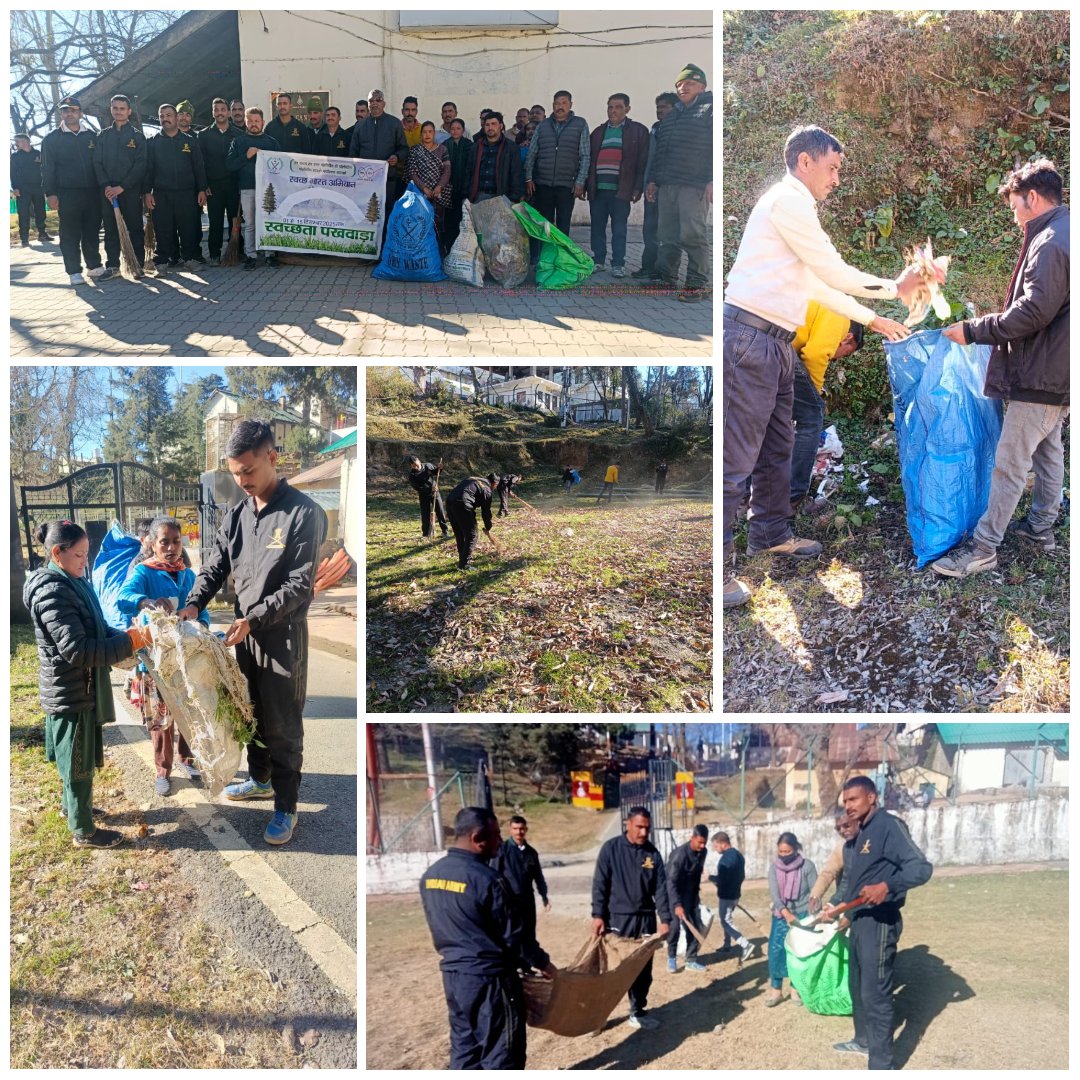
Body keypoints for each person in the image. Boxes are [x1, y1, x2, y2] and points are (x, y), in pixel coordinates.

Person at [722, 123, 933, 609]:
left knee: (778, 445)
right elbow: (832, 270)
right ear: (805, 162)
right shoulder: (789, 201)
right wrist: (893, 286)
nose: (836, 178)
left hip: (775, 343)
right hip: (750, 339)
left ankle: (770, 533)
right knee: (736, 461)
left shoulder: (793, 209)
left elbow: (816, 285)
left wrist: (873, 318)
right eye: (833, 168)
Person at [177, 419, 328, 847]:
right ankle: (259, 779)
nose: (242, 480)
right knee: (249, 713)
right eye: (235, 473)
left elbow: (299, 586)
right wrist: (194, 602)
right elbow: (214, 567)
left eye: (249, 470)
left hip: (281, 637)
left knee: (281, 723)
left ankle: (286, 804)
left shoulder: (303, 513)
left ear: (271, 457)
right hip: (244, 634)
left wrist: (254, 619)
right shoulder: (237, 516)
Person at [932, 158, 1069, 577]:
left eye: (1013, 206)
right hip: (1059, 369)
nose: (1013, 216)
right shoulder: (1064, 232)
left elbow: (1032, 312)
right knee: (1048, 451)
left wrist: (974, 330)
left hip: (1043, 369)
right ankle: (1042, 529)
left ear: (1031, 198)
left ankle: (983, 548)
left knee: (1010, 461)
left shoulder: (1050, 242)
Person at [23, 520, 147, 849]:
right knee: (76, 762)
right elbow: (78, 651)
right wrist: (130, 643)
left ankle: (73, 807)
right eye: (79, 555)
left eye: (87, 555)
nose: (85, 562)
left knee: (77, 758)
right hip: (70, 691)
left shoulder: (74, 580)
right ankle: (83, 830)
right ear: (56, 553)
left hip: (83, 687)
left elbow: (98, 626)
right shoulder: (52, 590)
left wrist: (125, 637)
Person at [421, 807, 556, 1069]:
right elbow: (515, 936)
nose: (500, 841)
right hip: (491, 982)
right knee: (503, 1055)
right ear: (476, 838)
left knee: (465, 1050)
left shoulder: (431, 876)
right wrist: (545, 964)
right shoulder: (489, 881)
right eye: (495, 836)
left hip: (454, 979)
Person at [824, 775, 933, 1068]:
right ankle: (863, 1041)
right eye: (845, 801)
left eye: (854, 799)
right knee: (858, 987)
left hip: (879, 923)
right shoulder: (857, 836)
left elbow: (921, 868)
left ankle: (881, 1065)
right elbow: (851, 883)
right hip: (858, 921)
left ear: (872, 797)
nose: (848, 806)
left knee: (876, 994)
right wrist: (836, 905)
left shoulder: (888, 826)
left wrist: (887, 887)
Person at [116, 516, 208, 796]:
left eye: (176, 541)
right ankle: (162, 770)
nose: (170, 547)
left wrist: (200, 624)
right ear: (153, 545)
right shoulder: (144, 572)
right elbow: (124, 596)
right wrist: (146, 601)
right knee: (161, 715)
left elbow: (200, 608)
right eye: (164, 542)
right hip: (155, 658)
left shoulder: (188, 575)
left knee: (188, 710)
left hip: (185, 656)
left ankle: (187, 759)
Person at [591, 806, 671, 1030]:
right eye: (639, 827)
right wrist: (598, 915)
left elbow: (661, 889)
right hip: (618, 920)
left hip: (645, 920)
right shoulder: (611, 849)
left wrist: (665, 919)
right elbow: (600, 885)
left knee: (643, 970)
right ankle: (599, 1016)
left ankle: (637, 1011)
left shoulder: (652, 854)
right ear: (628, 824)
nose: (644, 832)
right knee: (612, 971)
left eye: (647, 828)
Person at [645, 63, 713, 302]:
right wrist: (653, 180)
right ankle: (666, 277)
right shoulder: (672, 115)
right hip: (668, 185)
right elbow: (660, 151)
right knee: (668, 235)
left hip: (693, 185)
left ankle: (697, 283)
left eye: (689, 83)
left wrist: (712, 179)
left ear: (702, 87)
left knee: (693, 235)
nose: (683, 88)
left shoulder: (710, 110)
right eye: (680, 84)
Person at [789, 303, 865, 515]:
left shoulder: (820, 304)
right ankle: (792, 499)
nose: (836, 357)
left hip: (750, 336)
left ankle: (746, 499)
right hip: (776, 342)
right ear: (848, 338)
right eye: (845, 353)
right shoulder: (838, 313)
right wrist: (814, 395)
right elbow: (815, 355)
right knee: (811, 419)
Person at [40, 96, 104, 285]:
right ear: (61, 114)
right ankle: (74, 271)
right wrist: (50, 193)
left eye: (73, 110)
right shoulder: (51, 139)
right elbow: (47, 168)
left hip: (92, 192)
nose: (70, 114)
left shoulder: (92, 136)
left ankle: (94, 266)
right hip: (67, 194)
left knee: (92, 231)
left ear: (80, 113)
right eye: (66, 110)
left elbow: (99, 164)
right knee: (70, 233)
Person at [586, 93, 648, 277]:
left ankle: (618, 264)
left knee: (619, 229)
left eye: (618, 107)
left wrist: (637, 188)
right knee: (597, 227)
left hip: (621, 191)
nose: (613, 111)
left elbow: (641, 162)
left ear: (627, 109)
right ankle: (598, 261)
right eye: (610, 107)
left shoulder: (637, 131)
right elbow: (589, 160)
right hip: (598, 190)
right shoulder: (598, 132)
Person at [144, 104, 208, 272]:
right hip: (161, 193)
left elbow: (199, 167)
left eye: (168, 115)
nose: (165, 118)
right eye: (162, 115)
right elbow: (148, 169)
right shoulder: (152, 142)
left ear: (176, 117)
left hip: (186, 193)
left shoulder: (189, 141)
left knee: (189, 227)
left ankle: (190, 258)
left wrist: (202, 189)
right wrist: (146, 192)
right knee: (163, 228)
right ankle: (163, 261)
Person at [92, 93, 147, 279]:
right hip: (107, 193)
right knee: (110, 229)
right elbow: (97, 163)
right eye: (115, 108)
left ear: (129, 111)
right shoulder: (103, 135)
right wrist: (106, 186)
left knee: (135, 228)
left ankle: (137, 264)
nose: (118, 111)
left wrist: (122, 186)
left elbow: (140, 166)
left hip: (129, 191)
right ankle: (113, 266)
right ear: (111, 110)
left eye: (122, 108)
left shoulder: (137, 137)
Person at [525, 90, 589, 238]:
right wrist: (528, 178)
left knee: (563, 225)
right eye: (557, 103)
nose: (560, 107)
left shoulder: (580, 124)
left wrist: (580, 182)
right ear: (553, 105)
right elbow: (532, 153)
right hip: (543, 184)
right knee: (544, 225)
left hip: (567, 186)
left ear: (571, 105)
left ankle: (561, 259)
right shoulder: (543, 125)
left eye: (564, 103)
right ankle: (545, 258)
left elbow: (585, 155)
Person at [491, 815, 551, 970]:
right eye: (515, 829)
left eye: (522, 829)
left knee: (529, 932)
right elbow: (493, 875)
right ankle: (515, 965)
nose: (519, 832)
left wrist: (544, 896)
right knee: (513, 934)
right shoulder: (502, 851)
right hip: (509, 901)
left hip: (527, 900)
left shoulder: (531, 852)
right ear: (510, 830)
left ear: (526, 829)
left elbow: (538, 876)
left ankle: (527, 965)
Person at [766, 831, 817, 1006]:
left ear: (796, 849)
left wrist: (812, 916)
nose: (784, 855)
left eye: (787, 851)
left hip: (803, 915)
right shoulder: (773, 868)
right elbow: (775, 895)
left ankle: (796, 989)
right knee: (776, 951)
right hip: (781, 915)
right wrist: (786, 914)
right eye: (781, 851)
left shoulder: (807, 866)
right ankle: (776, 990)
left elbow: (814, 894)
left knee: (798, 952)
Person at [226, 107, 281, 270]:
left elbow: (282, 166)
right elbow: (229, 165)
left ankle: (270, 254)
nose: (254, 124)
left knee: (268, 222)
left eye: (257, 121)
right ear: (245, 122)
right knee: (250, 224)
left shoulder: (272, 142)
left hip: (268, 190)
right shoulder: (238, 142)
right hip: (247, 189)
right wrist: (246, 156)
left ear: (263, 122)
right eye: (250, 121)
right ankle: (251, 255)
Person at [349, 90, 408, 239]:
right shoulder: (360, 126)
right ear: (368, 104)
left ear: (384, 103)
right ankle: (365, 248)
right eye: (371, 101)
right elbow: (353, 154)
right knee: (365, 214)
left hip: (388, 180)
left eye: (378, 100)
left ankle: (384, 249)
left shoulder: (394, 123)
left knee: (386, 214)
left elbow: (404, 149)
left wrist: (397, 156)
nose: (374, 103)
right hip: (365, 182)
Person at [633, 92, 678, 280]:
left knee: (667, 232)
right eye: (658, 107)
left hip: (668, 189)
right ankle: (648, 267)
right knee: (649, 229)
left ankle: (665, 272)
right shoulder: (655, 128)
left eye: (664, 107)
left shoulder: (678, 129)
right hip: (650, 187)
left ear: (675, 108)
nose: (660, 110)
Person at [198, 97, 243, 266]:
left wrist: (241, 185)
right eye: (216, 110)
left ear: (228, 112)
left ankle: (237, 252)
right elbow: (199, 163)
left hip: (233, 185)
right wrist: (204, 185)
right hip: (213, 187)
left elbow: (241, 161)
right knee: (215, 222)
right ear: (212, 113)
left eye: (223, 110)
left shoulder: (238, 134)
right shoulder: (203, 135)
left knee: (235, 220)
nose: (220, 113)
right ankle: (215, 254)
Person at [665, 823, 709, 973]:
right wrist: (677, 904)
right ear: (692, 838)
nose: (702, 846)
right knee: (675, 926)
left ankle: (691, 960)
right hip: (674, 894)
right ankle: (671, 957)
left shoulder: (703, 852)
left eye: (704, 842)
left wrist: (695, 896)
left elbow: (696, 875)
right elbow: (671, 882)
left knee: (695, 926)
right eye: (700, 842)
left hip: (690, 895)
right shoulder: (679, 855)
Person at [709, 831, 754, 960]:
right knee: (726, 918)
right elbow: (741, 876)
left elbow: (722, 879)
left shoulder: (726, 859)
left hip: (727, 895)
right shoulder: (738, 855)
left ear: (723, 844)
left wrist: (710, 877)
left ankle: (745, 944)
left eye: (716, 846)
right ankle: (727, 945)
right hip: (735, 894)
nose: (715, 849)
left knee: (725, 921)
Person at [407, 121, 451, 242]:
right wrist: (424, 189)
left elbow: (447, 171)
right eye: (425, 132)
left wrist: (439, 187)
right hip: (420, 193)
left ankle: (437, 253)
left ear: (434, 133)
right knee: (419, 223)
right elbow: (412, 173)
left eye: (430, 132)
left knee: (437, 224)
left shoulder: (443, 149)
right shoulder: (415, 150)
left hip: (439, 194)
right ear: (421, 134)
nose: (427, 134)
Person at [466, 112, 523, 205]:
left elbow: (516, 174)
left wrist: (514, 198)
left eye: (493, 124)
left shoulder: (511, 147)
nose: (490, 127)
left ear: (500, 126)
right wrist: (466, 196)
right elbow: (468, 172)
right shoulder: (476, 147)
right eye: (487, 125)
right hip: (479, 197)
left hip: (502, 197)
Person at [807, 811, 858, 915]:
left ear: (858, 822)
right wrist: (815, 895)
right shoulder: (843, 848)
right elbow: (828, 873)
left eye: (846, 826)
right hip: (844, 904)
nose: (842, 831)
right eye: (838, 828)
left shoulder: (871, 845)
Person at [445, 474, 496, 570]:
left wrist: (449, 510)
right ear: (494, 483)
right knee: (472, 535)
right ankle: (465, 564)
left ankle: (462, 559)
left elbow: (458, 490)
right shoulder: (486, 489)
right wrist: (488, 526)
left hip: (450, 501)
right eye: (495, 486)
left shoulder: (473, 478)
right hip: (462, 504)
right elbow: (485, 511)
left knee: (459, 533)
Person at [11, 133, 51, 246]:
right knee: (23, 213)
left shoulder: (38, 154)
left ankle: (42, 234)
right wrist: (15, 188)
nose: (16, 144)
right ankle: (24, 238)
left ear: (25, 141)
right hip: (23, 189)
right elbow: (13, 173)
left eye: (17, 141)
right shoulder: (15, 156)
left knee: (41, 211)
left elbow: (45, 169)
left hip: (38, 187)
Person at [442, 118, 472, 254]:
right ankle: (449, 248)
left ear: (463, 130)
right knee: (449, 220)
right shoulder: (444, 145)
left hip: (465, 188)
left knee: (464, 220)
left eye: (458, 128)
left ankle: (463, 251)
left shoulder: (469, 145)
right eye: (452, 128)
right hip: (448, 189)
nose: (455, 131)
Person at [407, 456, 449, 539]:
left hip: (435, 493)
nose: (415, 467)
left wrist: (440, 468)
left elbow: (436, 472)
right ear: (411, 466)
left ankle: (445, 532)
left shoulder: (428, 466)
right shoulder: (412, 475)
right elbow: (417, 487)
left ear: (419, 461)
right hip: (423, 495)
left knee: (440, 511)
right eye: (413, 466)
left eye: (416, 464)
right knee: (425, 514)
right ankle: (425, 534)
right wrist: (429, 488)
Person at [399, 96, 422, 182]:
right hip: (399, 175)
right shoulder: (396, 128)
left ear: (416, 111)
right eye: (407, 110)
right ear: (402, 111)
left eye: (413, 110)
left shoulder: (423, 129)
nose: (410, 113)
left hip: (419, 176)